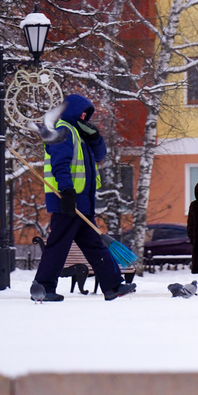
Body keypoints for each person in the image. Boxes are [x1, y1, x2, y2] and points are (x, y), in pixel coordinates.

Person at [33, 94, 135, 302]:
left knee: (94, 245)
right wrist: (67, 191)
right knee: (59, 245)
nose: (84, 116)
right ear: (71, 111)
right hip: (68, 200)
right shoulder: (62, 131)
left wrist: (95, 137)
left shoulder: (80, 134)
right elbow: (59, 164)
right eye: (81, 112)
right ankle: (43, 287)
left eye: (87, 114)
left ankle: (113, 286)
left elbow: (99, 156)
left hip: (83, 202)